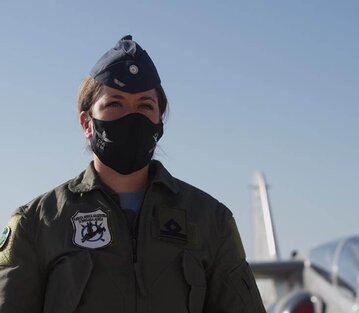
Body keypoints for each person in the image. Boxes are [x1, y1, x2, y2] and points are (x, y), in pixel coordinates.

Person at [0, 35, 266, 313]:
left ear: (159, 123)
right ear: (86, 123)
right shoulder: (37, 225)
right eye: (114, 104)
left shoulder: (211, 221)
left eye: (145, 106)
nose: (132, 116)